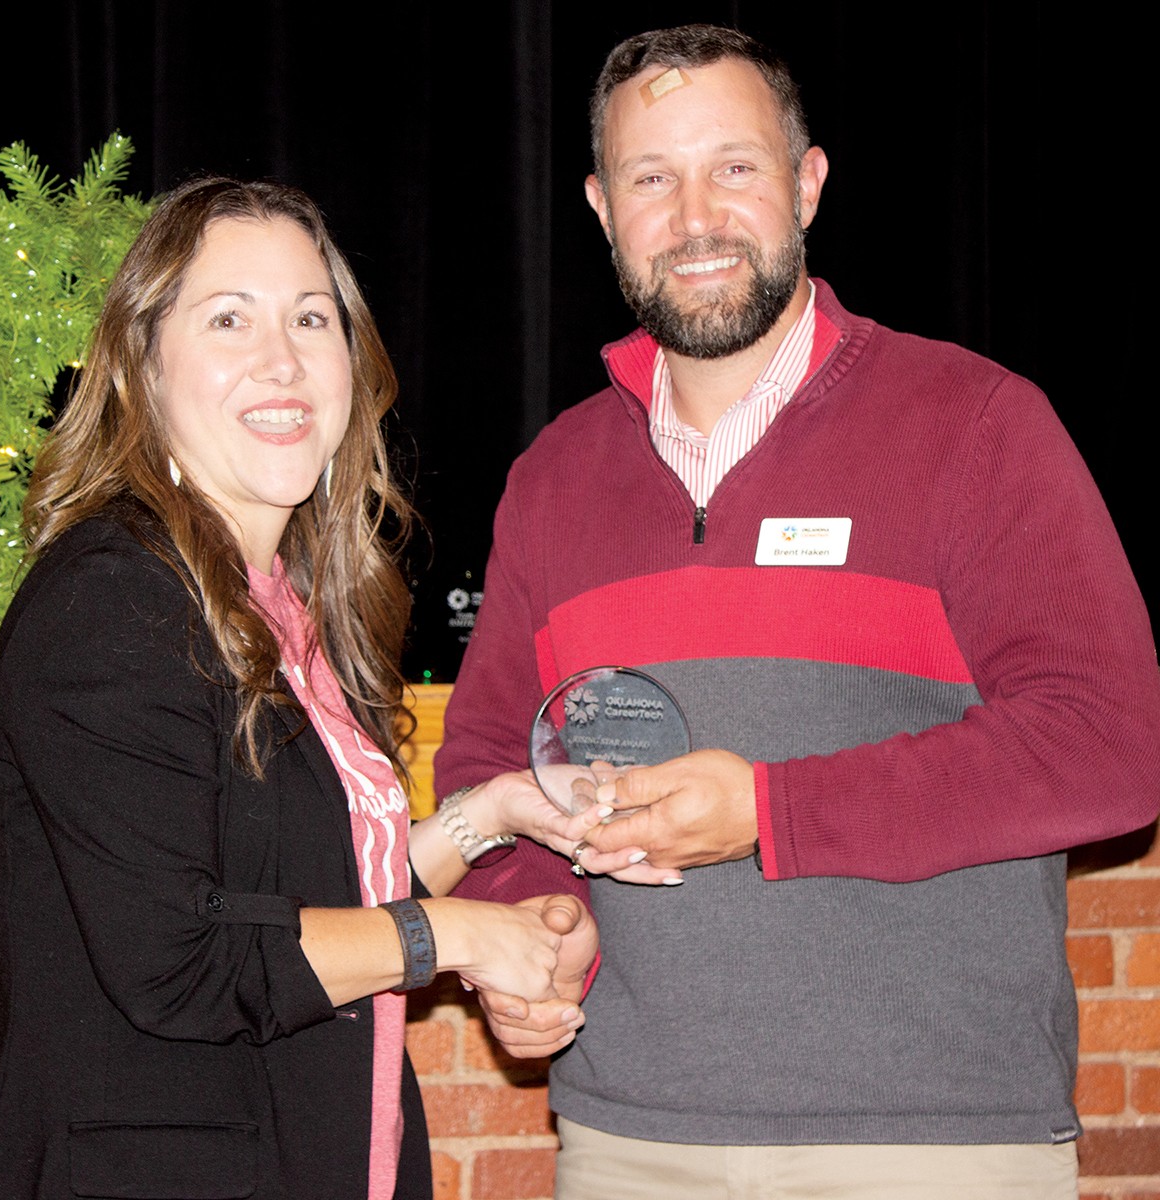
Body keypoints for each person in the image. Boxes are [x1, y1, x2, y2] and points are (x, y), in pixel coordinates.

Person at [435, 24, 1160, 1200]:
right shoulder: (553, 477)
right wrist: (536, 924)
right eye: (651, 179)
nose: (696, 216)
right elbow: (485, 758)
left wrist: (771, 811)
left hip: (933, 1141)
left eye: (735, 167)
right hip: (628, 1140)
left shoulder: (977, 423)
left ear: (808, 183)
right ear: (600, 208)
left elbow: (1112, 748)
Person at [0, 177, 605, 1200]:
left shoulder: (279, 605)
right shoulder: (111, 600)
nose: (283, 359)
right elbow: (182, 959)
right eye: (229, 319)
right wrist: (462, 935)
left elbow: (317, 909)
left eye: (312, 317)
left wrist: (489, 820)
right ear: (142, 366)